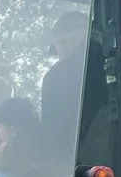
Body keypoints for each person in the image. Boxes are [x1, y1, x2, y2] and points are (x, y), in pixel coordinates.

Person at [40, 9, 106, 152]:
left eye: (66, 42)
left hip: (76, 162)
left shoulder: (56, 76)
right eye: (60, 43)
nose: (63, 49)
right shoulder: (120, 68)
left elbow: (51, 133)